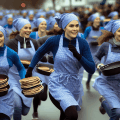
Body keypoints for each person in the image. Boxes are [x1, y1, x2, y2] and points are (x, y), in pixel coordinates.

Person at [26, 13, 95, 120]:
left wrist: (78, 56)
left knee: (65, 115)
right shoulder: (54, 41)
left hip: (74, 86)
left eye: (77, 25)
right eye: (71, 26)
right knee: (72, 115)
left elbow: (91, 68)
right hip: (57, 84)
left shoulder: (82, 43)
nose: (75, 28)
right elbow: (39, 52)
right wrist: (30, 69)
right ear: (64, 27)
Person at [6, 18, 38, 120]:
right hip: (13, 79)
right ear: (20, 29)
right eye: (26, 28)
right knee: (17, 106)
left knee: (24, 111)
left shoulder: (34, 42)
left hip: (28, 81)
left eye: (30, 28)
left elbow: (39, 59)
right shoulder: (11, 43)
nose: (28, 30)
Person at [93, 20, 120, 120]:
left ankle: (104, 103)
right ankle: (105, 102)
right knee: (117, 113)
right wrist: (99, 64)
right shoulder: (106, 46)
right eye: (119, 31)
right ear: (114, 32)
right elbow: (95, 57)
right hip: (107, 83)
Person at [0, 26, 26, 120]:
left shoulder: (11, 53)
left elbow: (21, 68)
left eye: (0, 36)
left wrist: (23, 81)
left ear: (4, 37)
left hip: (6, 91)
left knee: (7, 115)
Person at [84, 13, 104, 90]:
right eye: (96, 19)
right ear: (93, 20)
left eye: (99, 19)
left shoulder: (102, 28)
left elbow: (104, 39)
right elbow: (83, 38)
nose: (98, 20)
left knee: (100, 68)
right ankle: (88, 81)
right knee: (92, 69)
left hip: (99, 51)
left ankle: (102, 85)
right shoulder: (88, 29)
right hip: (90, 51)